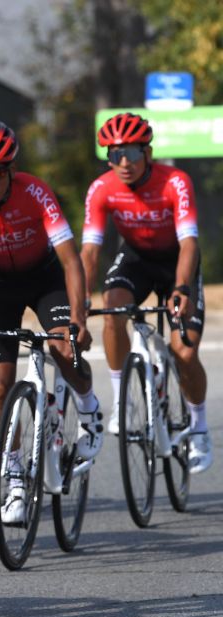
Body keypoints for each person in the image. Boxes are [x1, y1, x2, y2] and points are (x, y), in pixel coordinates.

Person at [0, 121, 104, 525]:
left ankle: (88, 407)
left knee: (62, 347)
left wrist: (78, 317)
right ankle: (14, 474)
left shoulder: (35, 192)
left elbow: (70, 260)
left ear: (10, 170)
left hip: (45, 278)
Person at [80, 112, 212, 473]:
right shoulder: (102, 188)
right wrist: (80, 296)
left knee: (184, 351)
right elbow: (90, 251)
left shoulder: (176, 182)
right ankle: (123, 399)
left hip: (177, 263)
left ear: (148, 153)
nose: (123, 162)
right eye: (115, 154)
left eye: (132, 154)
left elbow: (189, 243)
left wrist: (183, 287)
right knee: (112, 307)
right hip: (136, 259)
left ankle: (199, 426)